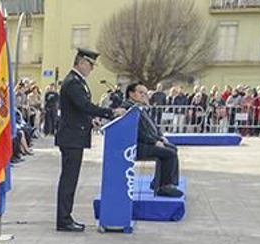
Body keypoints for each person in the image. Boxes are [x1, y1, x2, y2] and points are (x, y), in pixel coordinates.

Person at [55, 49, 122, 232]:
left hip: (75, 136)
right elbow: (83, 105)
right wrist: (109, 112)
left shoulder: (77, 81)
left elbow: (79, 110)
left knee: (71, 179)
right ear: (81, 62)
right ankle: (64, 220)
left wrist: (91, 119)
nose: (91, 69)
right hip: (71, 138)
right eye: (90, 65)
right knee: (69, 180)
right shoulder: (72, 83)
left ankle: (65, 217)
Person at [124, 83, 181, 198]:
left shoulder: (140, 107)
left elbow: (152, 126)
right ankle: (164, 186)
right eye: (141, 93)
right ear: (131, 93)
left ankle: (164, 183)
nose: (144, 96)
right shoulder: (128, 109)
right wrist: (154, 142)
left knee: (172, 149)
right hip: (138, 146)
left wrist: (160, 137)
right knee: (168, 153)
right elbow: (138, 132)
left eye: (145, 93)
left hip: (147, 142)